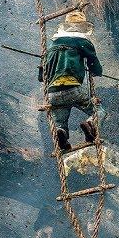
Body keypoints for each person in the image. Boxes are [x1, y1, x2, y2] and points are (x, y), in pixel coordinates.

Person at [40, 10, 107, 151]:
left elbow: (41, 76)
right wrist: (96, 72)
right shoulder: (82, 41)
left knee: (60, 122)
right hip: (72, 88)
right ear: (82, 26)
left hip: (52, 93)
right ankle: (90, 125)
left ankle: (61, 136)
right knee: (99, 111)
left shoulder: (51, 45)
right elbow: (94, 65)